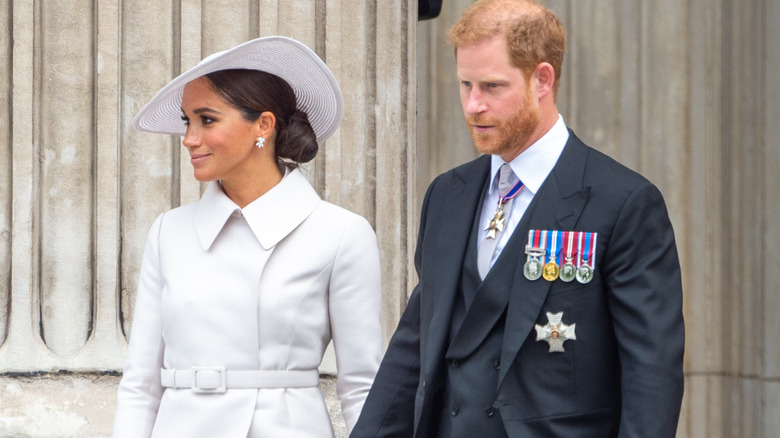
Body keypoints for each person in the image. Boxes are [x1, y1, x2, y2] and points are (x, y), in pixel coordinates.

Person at [351, 0, 684, 437]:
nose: (473, 105)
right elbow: (414, 346)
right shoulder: (447, 195)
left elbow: (651, 374)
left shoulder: (623, 202)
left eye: (492, 86)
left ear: (542, 79)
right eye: (465, 84)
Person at [112, 36, 383, 437]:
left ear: (264, 125)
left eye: (207, 119)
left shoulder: (340, 233)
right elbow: (140, 386)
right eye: (188, 121)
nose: (189, 138)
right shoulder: (168, 232)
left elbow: (363, 386)